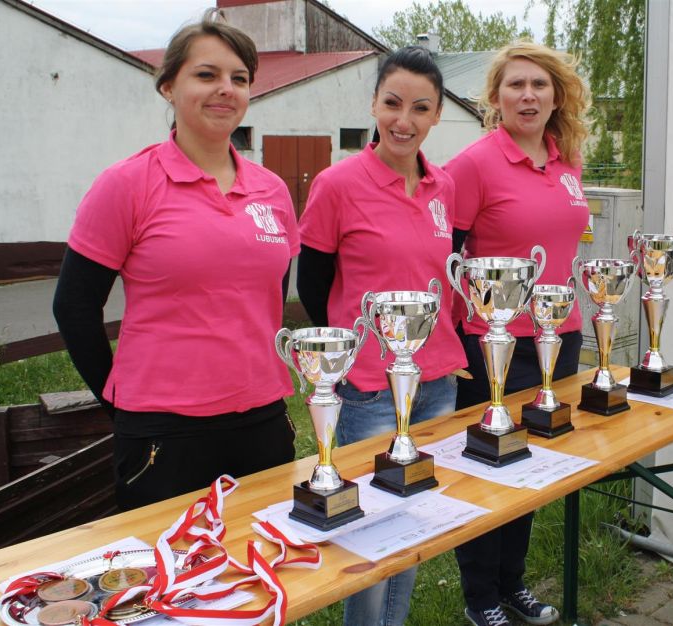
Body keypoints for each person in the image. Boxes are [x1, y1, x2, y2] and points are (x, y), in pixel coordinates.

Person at [52, 10, 298, 512]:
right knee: (172, 564)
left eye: (239, 79)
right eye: (206, 74)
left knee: (266, 554)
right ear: (168, 86)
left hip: (262, 418)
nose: (225, 89)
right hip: (164, 431)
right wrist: (120, 404)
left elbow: (269, 301)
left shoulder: (272, 190)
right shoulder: (126, 185)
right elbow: (74, 307)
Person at [296, 46, 466, 626]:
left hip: (435, 381)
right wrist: (354, 351)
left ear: (437, 114)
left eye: (420, 108)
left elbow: (443, 273)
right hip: (368, 387)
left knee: (411, 520)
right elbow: (313, 285)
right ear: (373, 104)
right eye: (392, 103)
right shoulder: (337, 184)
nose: (404, 120)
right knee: (366, 531)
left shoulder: (444, 186)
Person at [445, 41, 591, 626]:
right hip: (493, 343)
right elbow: (446, 258)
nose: (527, 96)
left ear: (556, 95)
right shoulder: (473, 165)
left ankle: (512, 583)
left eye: (539, 85)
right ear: (496, 97)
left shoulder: (567, 160)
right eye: (515, 85)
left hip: (562, 336)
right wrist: (449, 340)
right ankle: (480, 596)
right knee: (487, 467)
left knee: (530, 465)